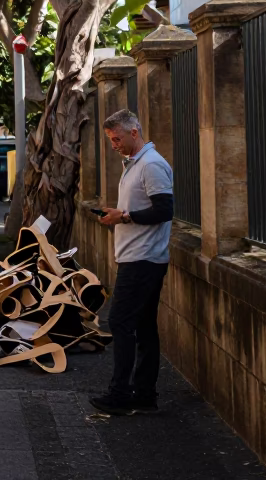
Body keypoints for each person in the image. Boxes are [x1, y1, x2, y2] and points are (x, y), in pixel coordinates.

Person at [91, 109, 174, 416]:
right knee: (143, 326)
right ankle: (144, 394)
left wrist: (124, 216)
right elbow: (147, 208)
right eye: (111, 140)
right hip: (140, 257)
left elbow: (165, 210)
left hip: (143, 259)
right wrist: (119, 214)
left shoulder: (151, 165)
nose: (114, 145)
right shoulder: (137, 164)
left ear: (134, 132)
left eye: (117, 139)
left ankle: (120, 393)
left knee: (120, 322)